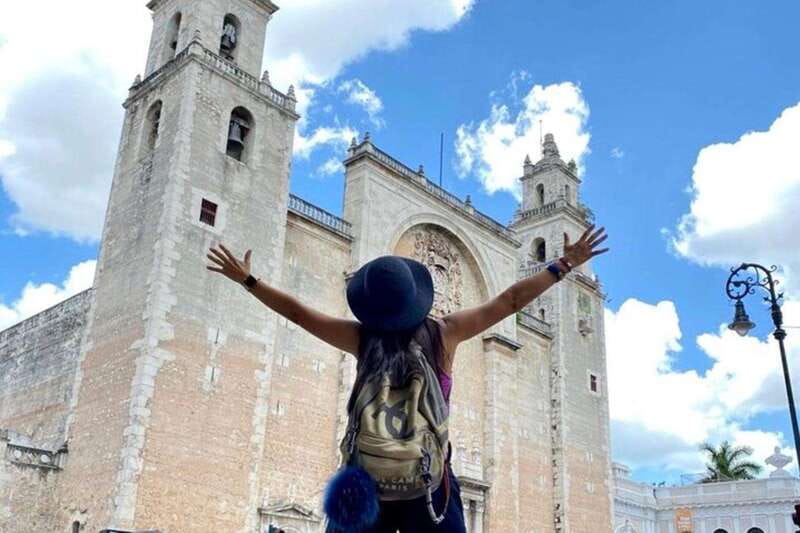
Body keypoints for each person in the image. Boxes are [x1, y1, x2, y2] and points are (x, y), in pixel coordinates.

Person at [206, 225, 608, 532]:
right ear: (418, 297)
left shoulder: (361, 338)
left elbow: (298, 314)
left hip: (366, 483)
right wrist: (564, 264)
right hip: (430, 485)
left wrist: (248, 280)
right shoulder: (445, 334)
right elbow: (510, 301)